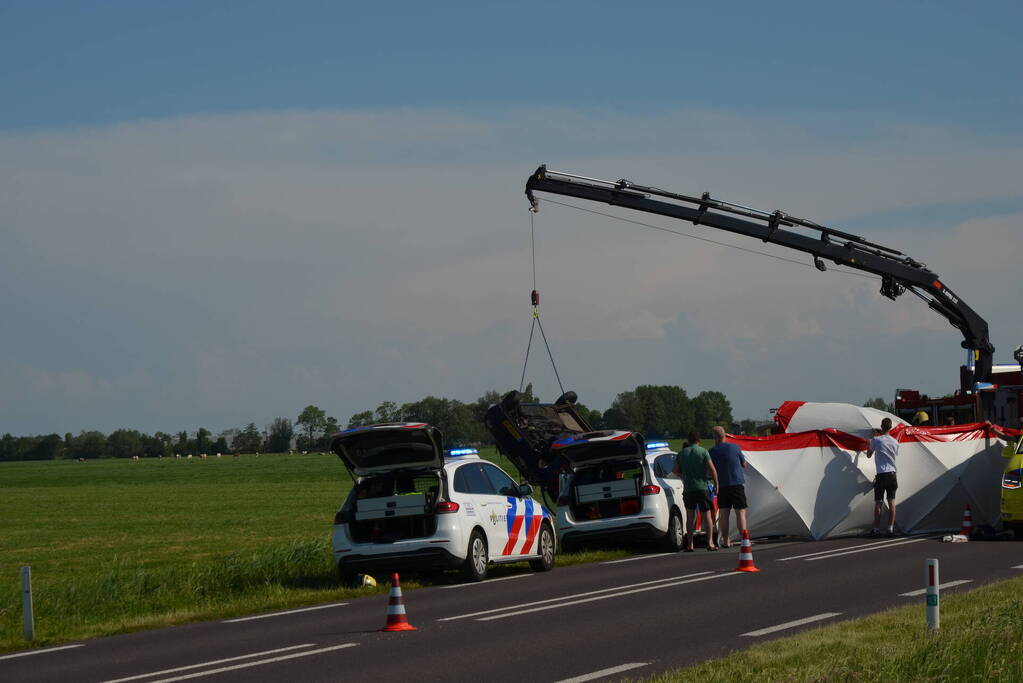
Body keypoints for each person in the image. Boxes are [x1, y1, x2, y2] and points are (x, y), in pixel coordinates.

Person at [675, 430, 719, 551]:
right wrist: (716, 483)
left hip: (689, 489)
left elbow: (675, 470)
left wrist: (684, 474)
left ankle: (690, 544)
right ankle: (710, 543)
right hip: (702, 487)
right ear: (699, 440)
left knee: (690, 517)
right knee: (707, 515)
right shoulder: (703, 451)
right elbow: (712, 469)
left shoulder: (682, 453)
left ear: (688, 441)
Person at [709, 425, 748, 547]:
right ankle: (744, 540)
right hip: (736, 484)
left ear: (714, 437)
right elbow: (744, 464)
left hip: (722, 486)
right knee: (740, 513)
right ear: (724, 435)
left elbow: (710, 469)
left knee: (724, 514)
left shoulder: (711, 452)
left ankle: (726, 541)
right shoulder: (735, 447)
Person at [866, 417, 899, 537]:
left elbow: (869, 455)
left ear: (881, 426)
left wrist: (868, 444)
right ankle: (890, 528)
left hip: (881, 475)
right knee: (892, 502)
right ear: (890, 427)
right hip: (893, 474)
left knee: (878, 503)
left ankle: (876, 529)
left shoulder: (876, 440)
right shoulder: (895, 442)